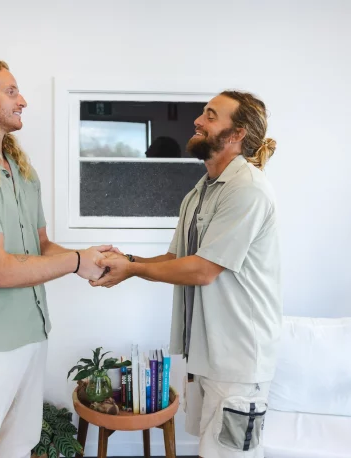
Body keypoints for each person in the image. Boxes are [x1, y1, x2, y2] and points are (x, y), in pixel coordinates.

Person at [0, 59, 110, 458]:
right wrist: (77, 261)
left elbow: (43, 246)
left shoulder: (21, 171)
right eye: (10, 91)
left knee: (17, 446)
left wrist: (91, 261)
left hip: (33, 333)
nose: (23, 100)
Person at [94, 91, 282, 458]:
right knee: (208, 450)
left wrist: (132, 269)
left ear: (236, 134)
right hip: (206, 353)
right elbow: (176, 258)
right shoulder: (199, 193)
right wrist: (128, 261)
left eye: (210, 115)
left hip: (239, 361)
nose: (198, 121)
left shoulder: (248, 190)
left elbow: (203, 270)